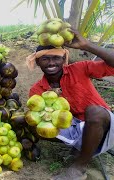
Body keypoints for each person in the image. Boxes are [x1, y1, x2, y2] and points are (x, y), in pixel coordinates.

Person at [26, 28, 114, 180]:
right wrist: (52, 100)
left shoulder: (80, 68)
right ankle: (84, 146)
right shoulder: (37, 91)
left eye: (56, 58)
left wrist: (86, 45)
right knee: (32, 123)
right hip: (75, 129)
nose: (51, 63)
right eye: (45, 59)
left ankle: (79, 167)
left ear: (64, 59)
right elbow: (39, 118)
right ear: (37, 62)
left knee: (94, 112)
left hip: (102, 124)